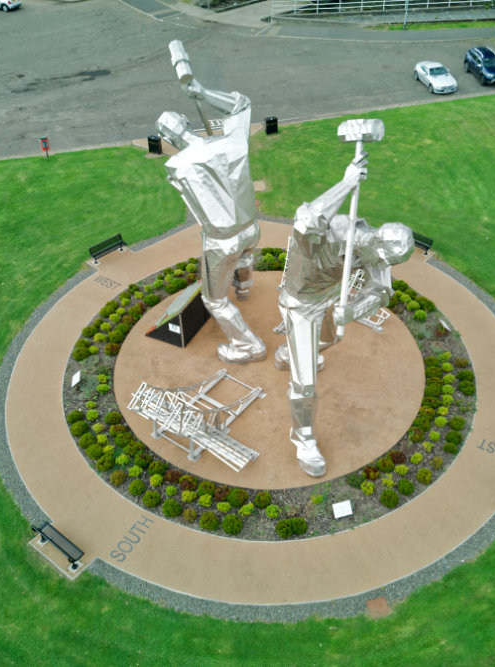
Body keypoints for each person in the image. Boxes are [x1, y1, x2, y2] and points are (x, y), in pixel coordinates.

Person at [277, 156, 414, 477]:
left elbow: (379, 290)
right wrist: (347, 182)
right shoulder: (335, 231)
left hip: (326, 301)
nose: (382, 264)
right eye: (383, 258)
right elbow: (305, 221)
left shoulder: (376, 253)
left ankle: (287, 352)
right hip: (299, 304)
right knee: (305, 383)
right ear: (378, 240)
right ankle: (303, 438)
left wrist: (352, 310)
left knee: (330, 339)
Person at [156, 46, 265, 364]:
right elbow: (242, 104)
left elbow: (185, 189)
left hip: (222, 240)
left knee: (214, 301)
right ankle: (244, 288)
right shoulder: (233, 141)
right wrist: (201, 91)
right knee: (244, 257)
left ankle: (248, 346)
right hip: (251, 229)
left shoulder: (178, 166)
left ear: (167, 138)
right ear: (187, 123)